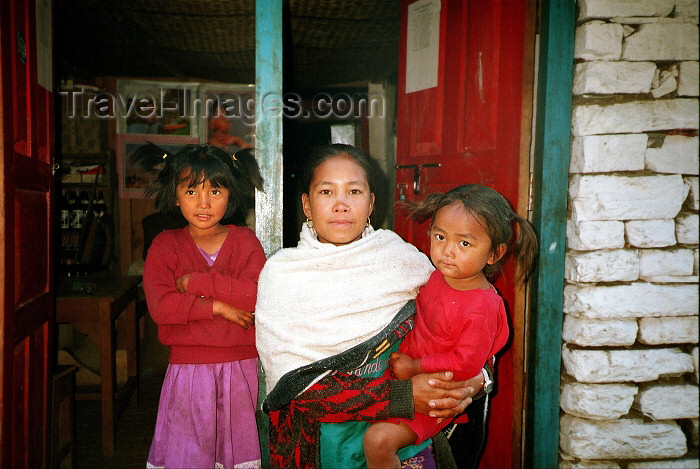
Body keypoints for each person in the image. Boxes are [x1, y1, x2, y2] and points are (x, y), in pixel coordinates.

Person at [255, 144, 489, 469]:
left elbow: (471, 324)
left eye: (354, 191)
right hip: (318, 446)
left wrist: (477, 380)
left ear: (370, 202)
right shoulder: (283, 274)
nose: (341, 204)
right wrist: (404, 396)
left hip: (400, 441)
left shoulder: (399, 260)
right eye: (326, 191)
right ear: (307, 204)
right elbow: (295, 388)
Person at [363, 185, 538, 468]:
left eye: (464, 244)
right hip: (401, 377)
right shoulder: (435, 277)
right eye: (440, 237)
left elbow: (464, 364)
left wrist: (414, 366)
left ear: (494, 254)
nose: (447, 251)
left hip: (436, 396)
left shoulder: (481, 306)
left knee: (378, 441)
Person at [142, 144, 265, 469]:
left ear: (231, 193)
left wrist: (199, 283)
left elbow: (256, 296)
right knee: (190, 456)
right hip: (188, 371)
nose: (204, 202)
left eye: (215, 190)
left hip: (239, 369)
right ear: (175, 194)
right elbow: (162, 307)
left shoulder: (245, 241)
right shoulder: (165, 245)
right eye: (192, 190)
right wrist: (219, 308)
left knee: (235, 455)